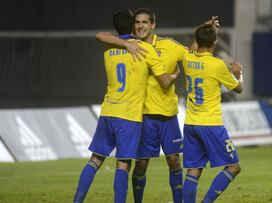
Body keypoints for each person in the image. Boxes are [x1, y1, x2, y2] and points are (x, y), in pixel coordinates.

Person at [96, 8, 219, 203]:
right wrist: (170, 77)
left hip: (168, 115)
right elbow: (103, 37)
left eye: (145, 22)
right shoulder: (129, 47)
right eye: (137, 22)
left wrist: (205, 30)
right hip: (143, 115)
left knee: (174, 161)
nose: (140, 26)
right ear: (133, 25)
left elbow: (192, 52)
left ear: (153, 25)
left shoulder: (169, 45)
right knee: (142, 164)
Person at [73, 9, 178, 203]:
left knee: (95, 160)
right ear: (133, 26)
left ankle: (77, 200)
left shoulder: (108, 50)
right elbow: (164, 82)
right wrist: (173, 76)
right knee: (123, 164)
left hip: (108, 112)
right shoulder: (146, 50)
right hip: (129, 116)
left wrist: (123, 43)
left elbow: (101, 36)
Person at [181, 24, 243, 203]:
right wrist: (238, 73)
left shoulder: (187, 59)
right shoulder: (217, 64)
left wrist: (204, 27)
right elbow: (239, 89)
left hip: (191, 123)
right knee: (234, 167)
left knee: (194, 170)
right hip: (210, 124)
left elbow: (193, 48)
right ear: (215, 42)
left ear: (197, 40)